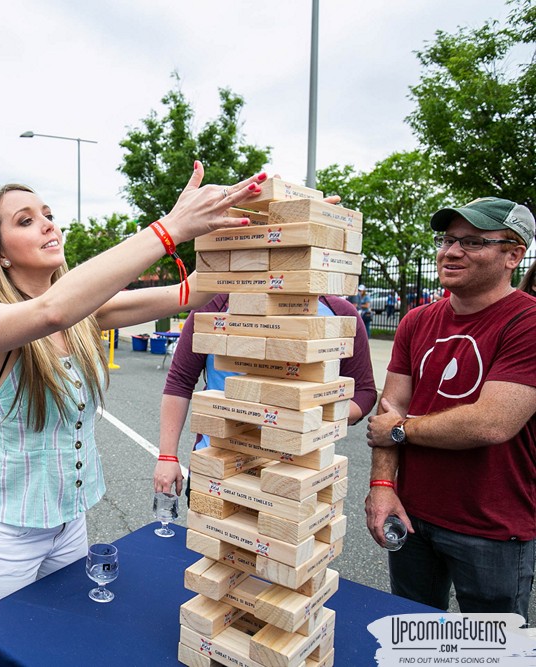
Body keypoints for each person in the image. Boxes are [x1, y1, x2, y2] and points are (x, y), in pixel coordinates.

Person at [0, 164, 269, 624]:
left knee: (62, 644)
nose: (47, 224)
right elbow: (51, 311)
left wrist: (265, 220)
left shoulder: (84, 315)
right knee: (4, 648)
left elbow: (193, 291)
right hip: (2, 537)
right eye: (25, 220)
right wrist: (170, 227)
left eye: (47, 213)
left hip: (69, 526)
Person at [365, 197, 536, 621]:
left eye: (473, 242)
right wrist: (383, 487)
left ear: (513, 254)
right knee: (414, 635)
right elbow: (390, 409)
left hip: (493, 528)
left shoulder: (526, 322)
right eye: (447, 239)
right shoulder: (416, 321)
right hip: (412, 515)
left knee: (491, 649)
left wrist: (401, 429)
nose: (451, 251)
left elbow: (491, 423)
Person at [154, 291, 377, 497]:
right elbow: (180, 381)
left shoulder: (340, 313)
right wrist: (167, 455)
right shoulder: (214, 304)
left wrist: (307, 417)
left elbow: (364, 393)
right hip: (217, 463)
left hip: (299, 469)